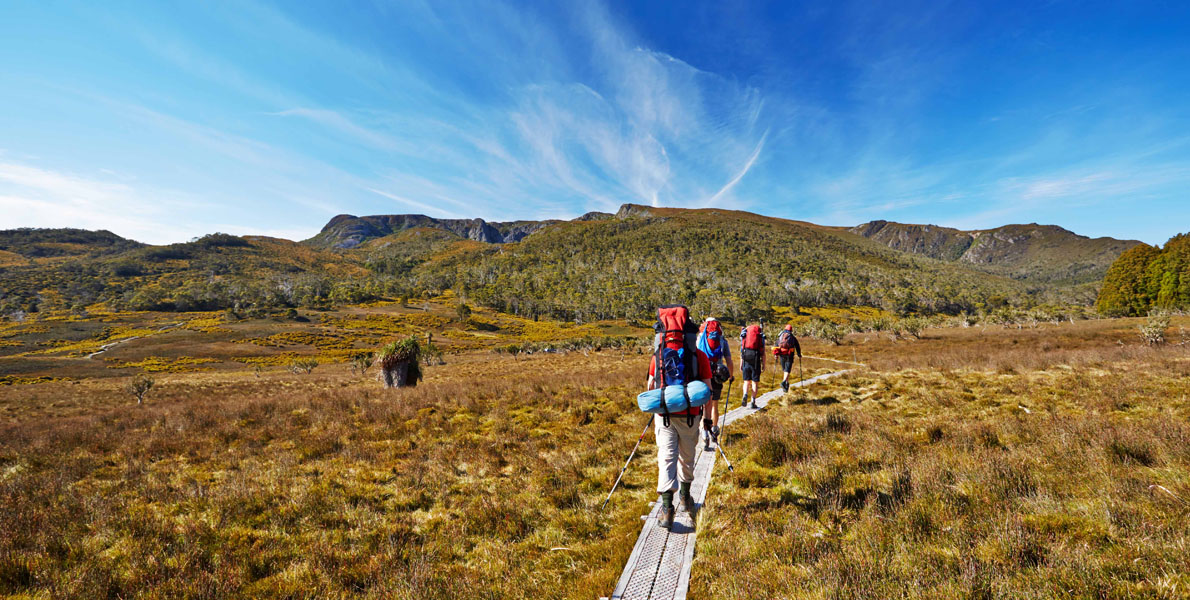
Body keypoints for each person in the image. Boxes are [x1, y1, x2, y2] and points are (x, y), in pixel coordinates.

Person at [646, 305, 713, 530]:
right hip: (691, 416)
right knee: (687, 457)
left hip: (664, 414)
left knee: (666, 457)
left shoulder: (658, 356)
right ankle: (685, 498)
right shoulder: (699, 356)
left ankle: (667, 509)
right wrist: (707, 420)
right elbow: (708, 392)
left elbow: (650, 386)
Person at [696, 317, 733, 449]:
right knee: (714, 405)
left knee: (704, 405)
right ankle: (714, 430)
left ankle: (704, 432)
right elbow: (729, 360)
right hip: (717, 374)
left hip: (702, 374)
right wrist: (731, 376)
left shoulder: (700, 337)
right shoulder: (722, 339)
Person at [739, 323, 765, 408]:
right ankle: (753, 401)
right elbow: (763, 353)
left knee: (746, 381)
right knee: (755, 382)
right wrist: (763, 365)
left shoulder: (745, 335)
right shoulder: (760, 337)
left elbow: (742, 350)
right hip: (756, 361)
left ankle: (745, 394)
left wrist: (741, 363)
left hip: (746, 359)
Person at [773, 324, 803, 392]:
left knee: (785, 370)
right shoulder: (792, 337)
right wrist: (799, 354)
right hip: (789, 354)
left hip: (781, 354)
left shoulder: (781, 336)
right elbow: (797, 346)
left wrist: (776, 354)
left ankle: (786, 385)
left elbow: (776, 345)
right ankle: (784, 382)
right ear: (791, 330)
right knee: (787, 370)